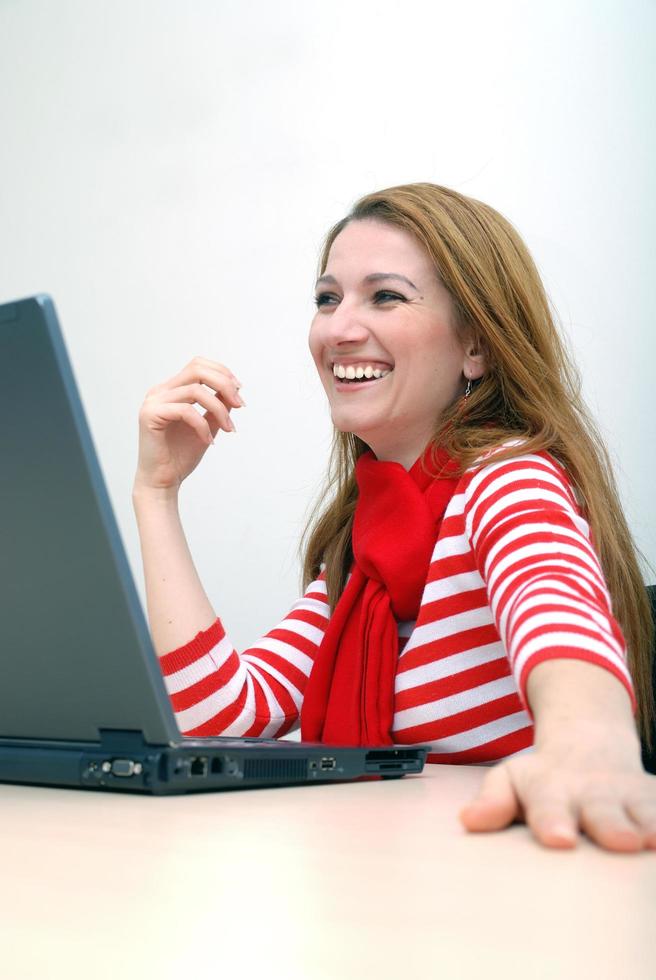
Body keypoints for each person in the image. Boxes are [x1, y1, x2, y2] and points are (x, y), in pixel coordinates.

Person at [132, 182, 656, 853]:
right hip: (384, 874)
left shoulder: (507, 476)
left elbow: (555, 603)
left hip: (510, 881)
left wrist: (591, 743)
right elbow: (216, 716)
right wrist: (158, 491)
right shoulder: (362, 552)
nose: (339, 328)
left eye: (386, 296)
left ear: (476, 348)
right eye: (328, 298)